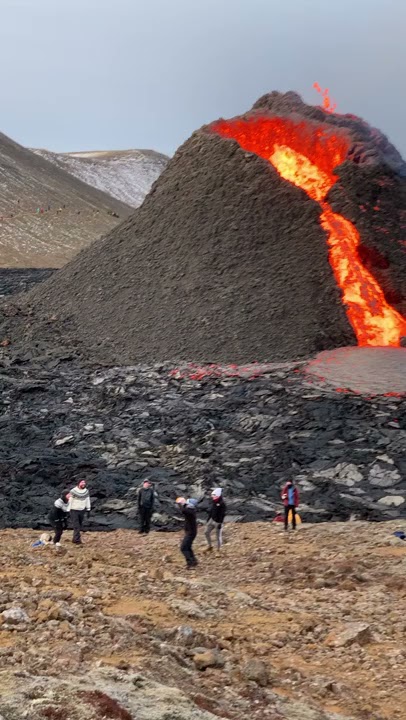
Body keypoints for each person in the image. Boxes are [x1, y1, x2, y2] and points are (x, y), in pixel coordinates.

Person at [176, 497, 198, 569]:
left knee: (183, 548)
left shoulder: (190, 511)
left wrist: (179, 503)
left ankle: (190, 563)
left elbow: (183, 510)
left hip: (190, 533)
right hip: (191, 532)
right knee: (188, 547)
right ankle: (194, 561)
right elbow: (185, 509)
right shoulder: (191, 510)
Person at [68, 480, 91, 545]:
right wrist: (68, 510)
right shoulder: (73, 491)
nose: (84, 484)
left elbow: (87, 500)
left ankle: (74, 539)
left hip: (82, 510)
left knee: (79, 525)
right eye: (82, 482)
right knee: (76, 526)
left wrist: (88, 509)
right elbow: (70, 500)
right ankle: (77, 540)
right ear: (78, 483)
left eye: (84, 482)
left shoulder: (86, 491)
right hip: (74, 510)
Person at [204, 488, 226, 552]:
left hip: (218, 522)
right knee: (206, 532)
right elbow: (211, 511)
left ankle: (218, 550)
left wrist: (220, 523)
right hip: (212, 519)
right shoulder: (214, 501)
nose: (213, 497)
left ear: (218, 496)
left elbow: (222, 514)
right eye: (213, 495)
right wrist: (208, 519)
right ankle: (210, 546)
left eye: (214, 495)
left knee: (218, 536)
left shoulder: (222, 504)